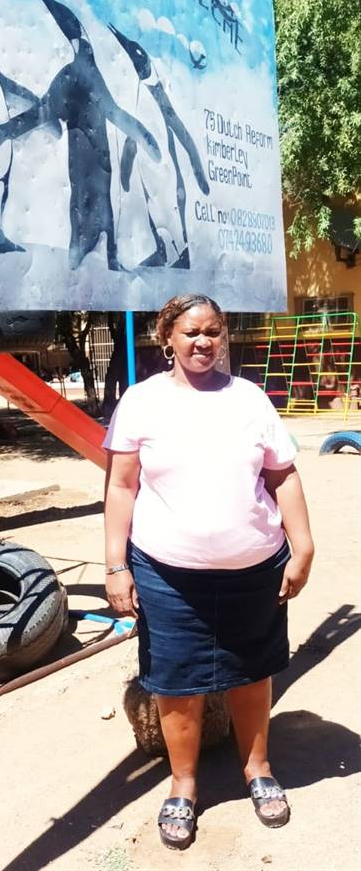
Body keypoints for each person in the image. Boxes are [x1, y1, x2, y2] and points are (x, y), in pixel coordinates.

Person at [103, 293, 314, 851]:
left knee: (252, 671)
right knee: (176, 683)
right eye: (191, 332)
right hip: (167, 575)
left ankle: (258, 770)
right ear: (167, 338)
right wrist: (116, 565)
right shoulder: (141, 402)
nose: (203, 342)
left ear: (224, 337)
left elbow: (283, 475)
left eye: (213, 332)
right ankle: (184, 785)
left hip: (254, 569)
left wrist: (304, 546)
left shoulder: (250, 399)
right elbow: (121, 487)